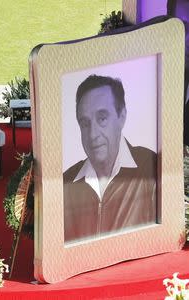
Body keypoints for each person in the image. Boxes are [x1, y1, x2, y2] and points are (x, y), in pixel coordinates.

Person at [63, 74, 157, 243]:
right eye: (85, 123)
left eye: (102, 119)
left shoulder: (152, 167)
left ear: (122, 117)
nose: (92, 134)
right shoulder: (65, 182)